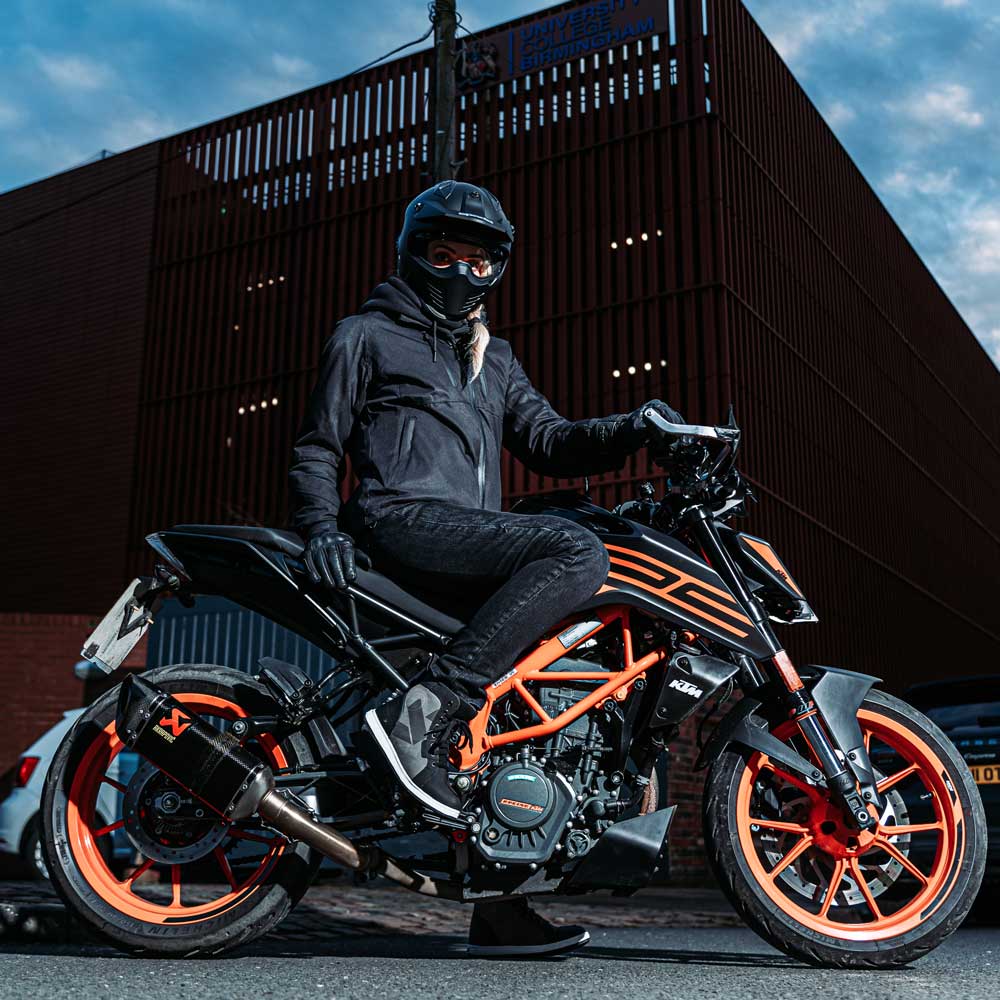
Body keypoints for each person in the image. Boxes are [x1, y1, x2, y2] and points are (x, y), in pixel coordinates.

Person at [288, 179, 682, 956]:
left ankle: (500, 910)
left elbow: (550, 439)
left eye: (480, 262)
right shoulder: (365, 335)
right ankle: (428, 707)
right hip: (403, 518)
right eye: (446, 255)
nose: (463, 274)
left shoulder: (492, 358)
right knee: (573, 549)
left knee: (519, 705)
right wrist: (318, 528)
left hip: (468, 534)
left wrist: (636, 424)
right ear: (415, 254)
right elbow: (316, 446)